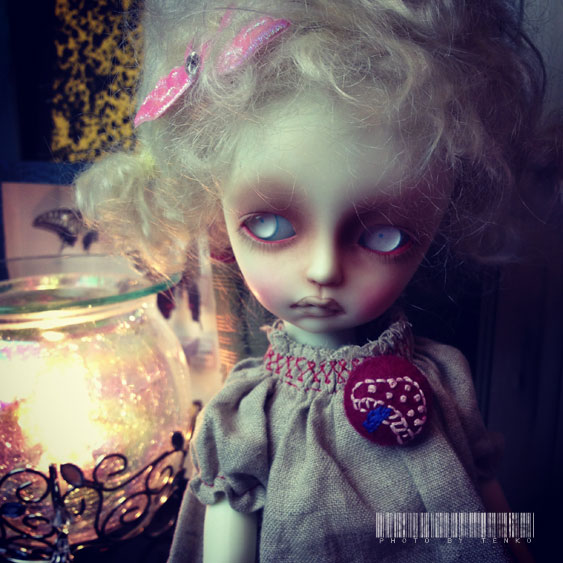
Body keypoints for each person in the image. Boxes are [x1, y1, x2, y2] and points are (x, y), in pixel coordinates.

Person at [75, 1, 559, 561]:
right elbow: (229, 535)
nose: (324, 270)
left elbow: (483, 505)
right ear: (214, 216)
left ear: (441, 221)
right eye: (269, 226)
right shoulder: (247, 415)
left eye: (384, 236)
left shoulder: (442, 379)